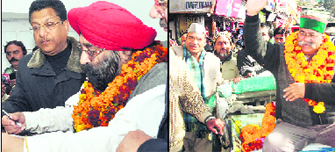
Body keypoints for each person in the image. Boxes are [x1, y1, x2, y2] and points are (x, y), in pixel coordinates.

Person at [1, 1, 168, 152]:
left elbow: (115, 139)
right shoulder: (105, 77)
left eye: (91, 51)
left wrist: (24, 146)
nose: (83, 59)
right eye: (82, 50)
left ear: (123, 51)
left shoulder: (158, 80)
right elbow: (73, 114)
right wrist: (27, 120)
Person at [244, 0, 335, 151]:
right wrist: (252, 16)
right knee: (272, 143)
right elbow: (256, 48)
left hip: (333, 125)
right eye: (302, 33)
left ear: (322, 38)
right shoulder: (281, 53)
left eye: (312, 35)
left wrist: (306, 90)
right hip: (293, 126)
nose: (305, 39)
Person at [1, 0, 86, 123]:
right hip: (39, 138)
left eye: (49, 24)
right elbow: (18, 102)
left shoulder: (88, 60)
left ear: (66, 25)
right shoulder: (26, 65)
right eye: (36, 27)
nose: (41, 33)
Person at [171, 23, 224, 151]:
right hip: (181, 126)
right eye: (191, 38)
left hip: (205, 125)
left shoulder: (214, 61)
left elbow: (219, 85)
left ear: (205, 42)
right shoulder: (175, 56)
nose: (194, 42)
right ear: (185, 39)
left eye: (199, 39)